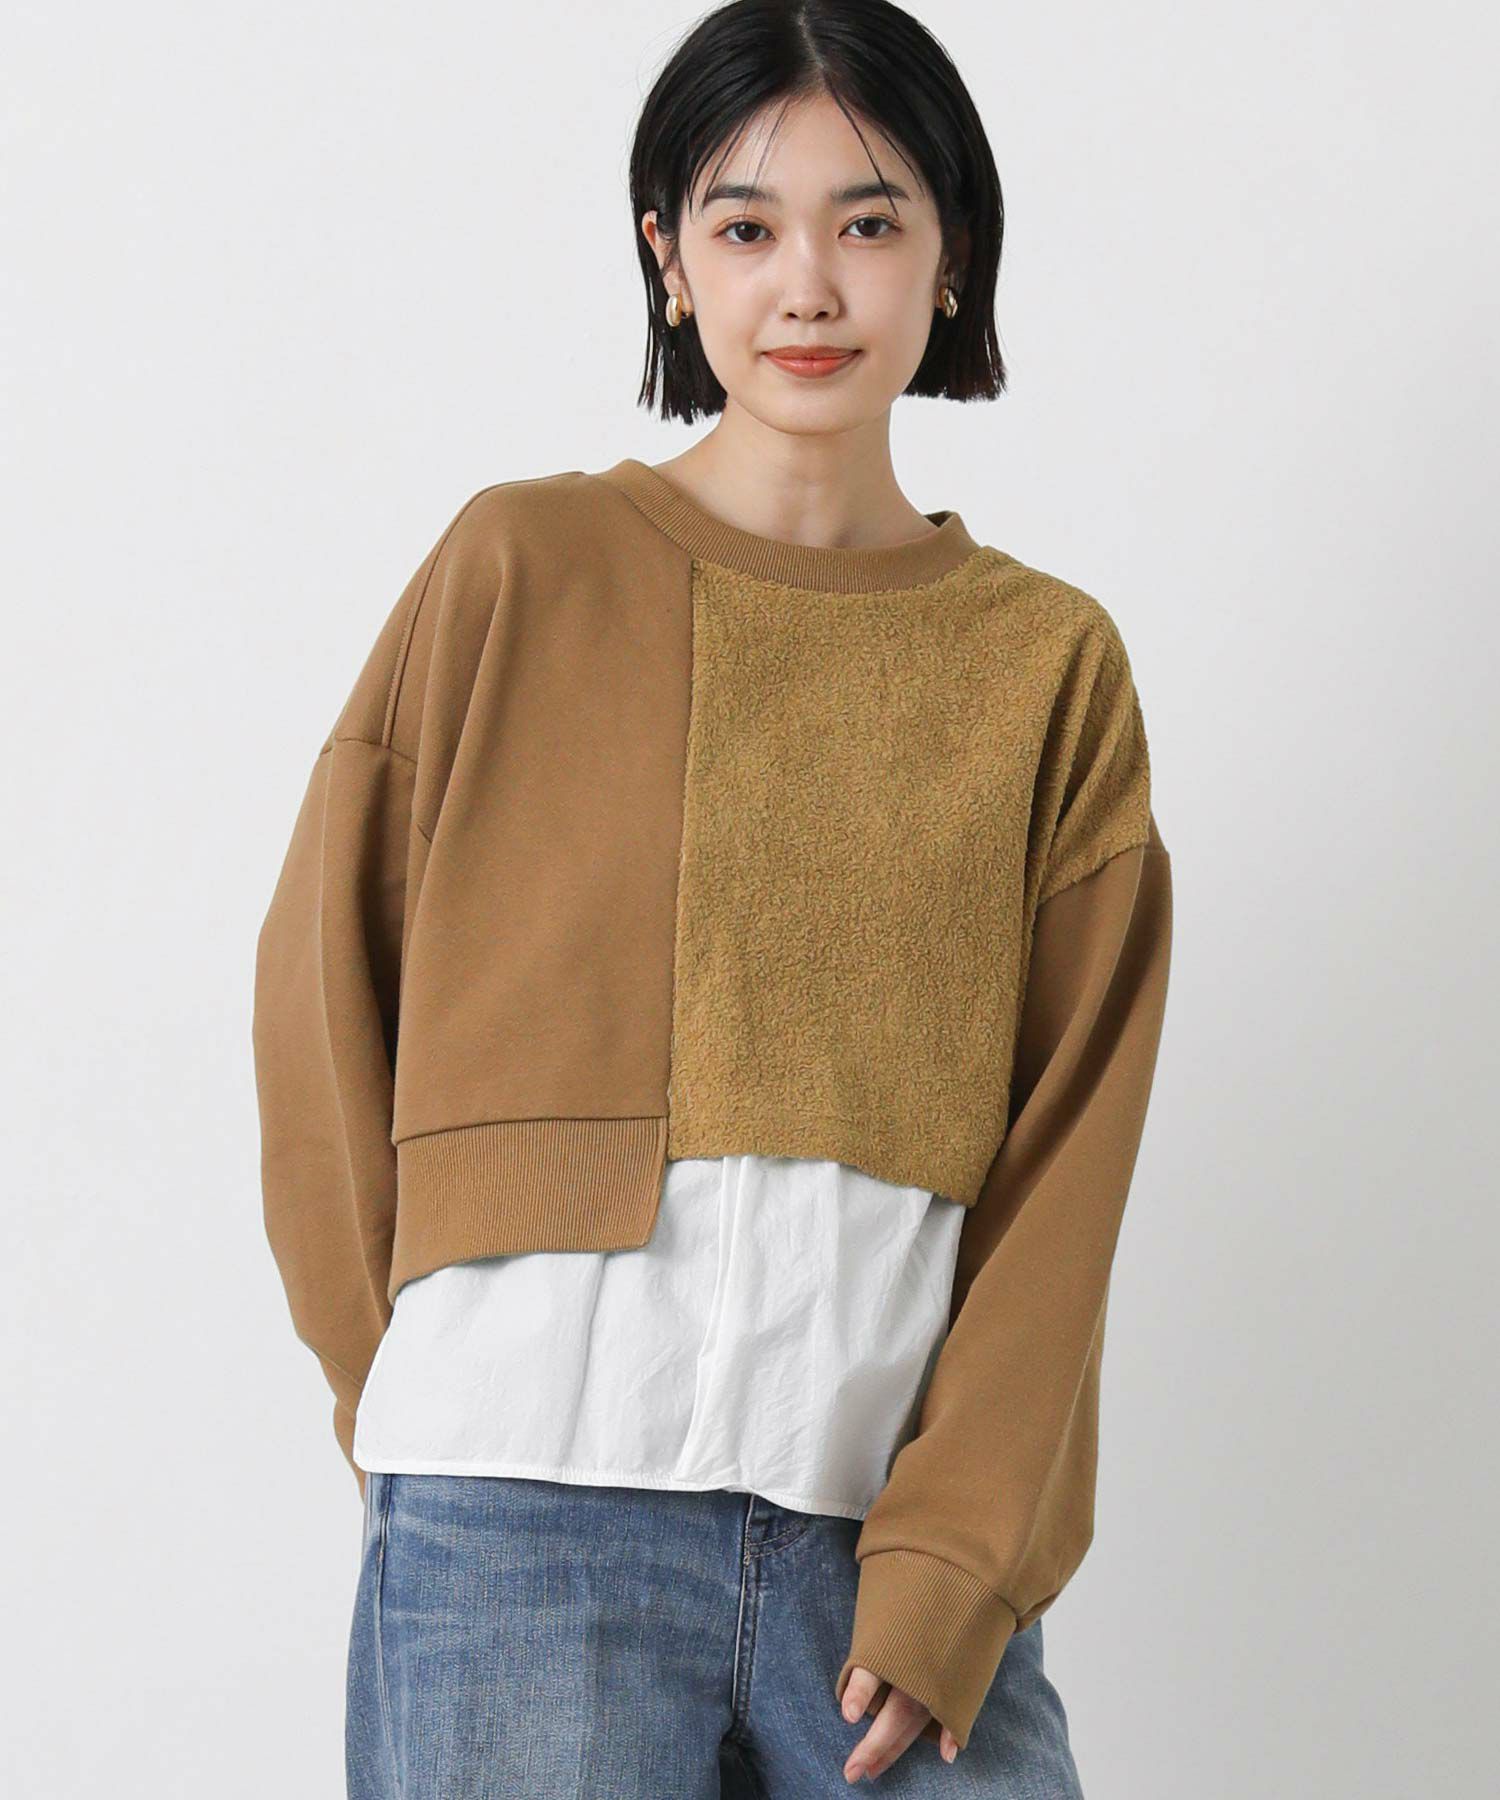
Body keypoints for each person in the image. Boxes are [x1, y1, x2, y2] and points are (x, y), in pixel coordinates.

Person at [251, 2, 1174, 1793]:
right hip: (518, 1524)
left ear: (953, 255)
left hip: (885, 1546)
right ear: (669, 262)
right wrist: (418, 1406)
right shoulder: (521, 567)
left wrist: (960, 1551)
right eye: (746, 225)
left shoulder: (1044, 665)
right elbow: (320, 1006)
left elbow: (1071, 1159)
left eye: (869, 219)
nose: (807, 285)